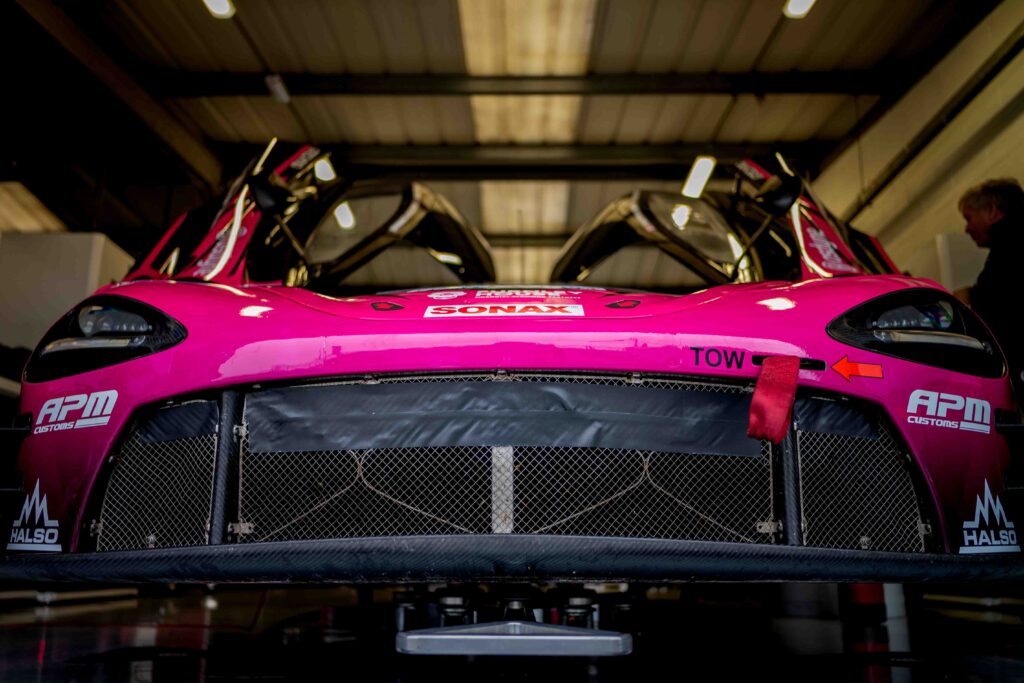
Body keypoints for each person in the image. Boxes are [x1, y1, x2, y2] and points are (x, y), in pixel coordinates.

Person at [955, 178, 1024, 394]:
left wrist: (966, 296)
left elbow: (991, 298)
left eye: (969, 218)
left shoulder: (1009, 243)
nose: (966, 229)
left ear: (992, 210)